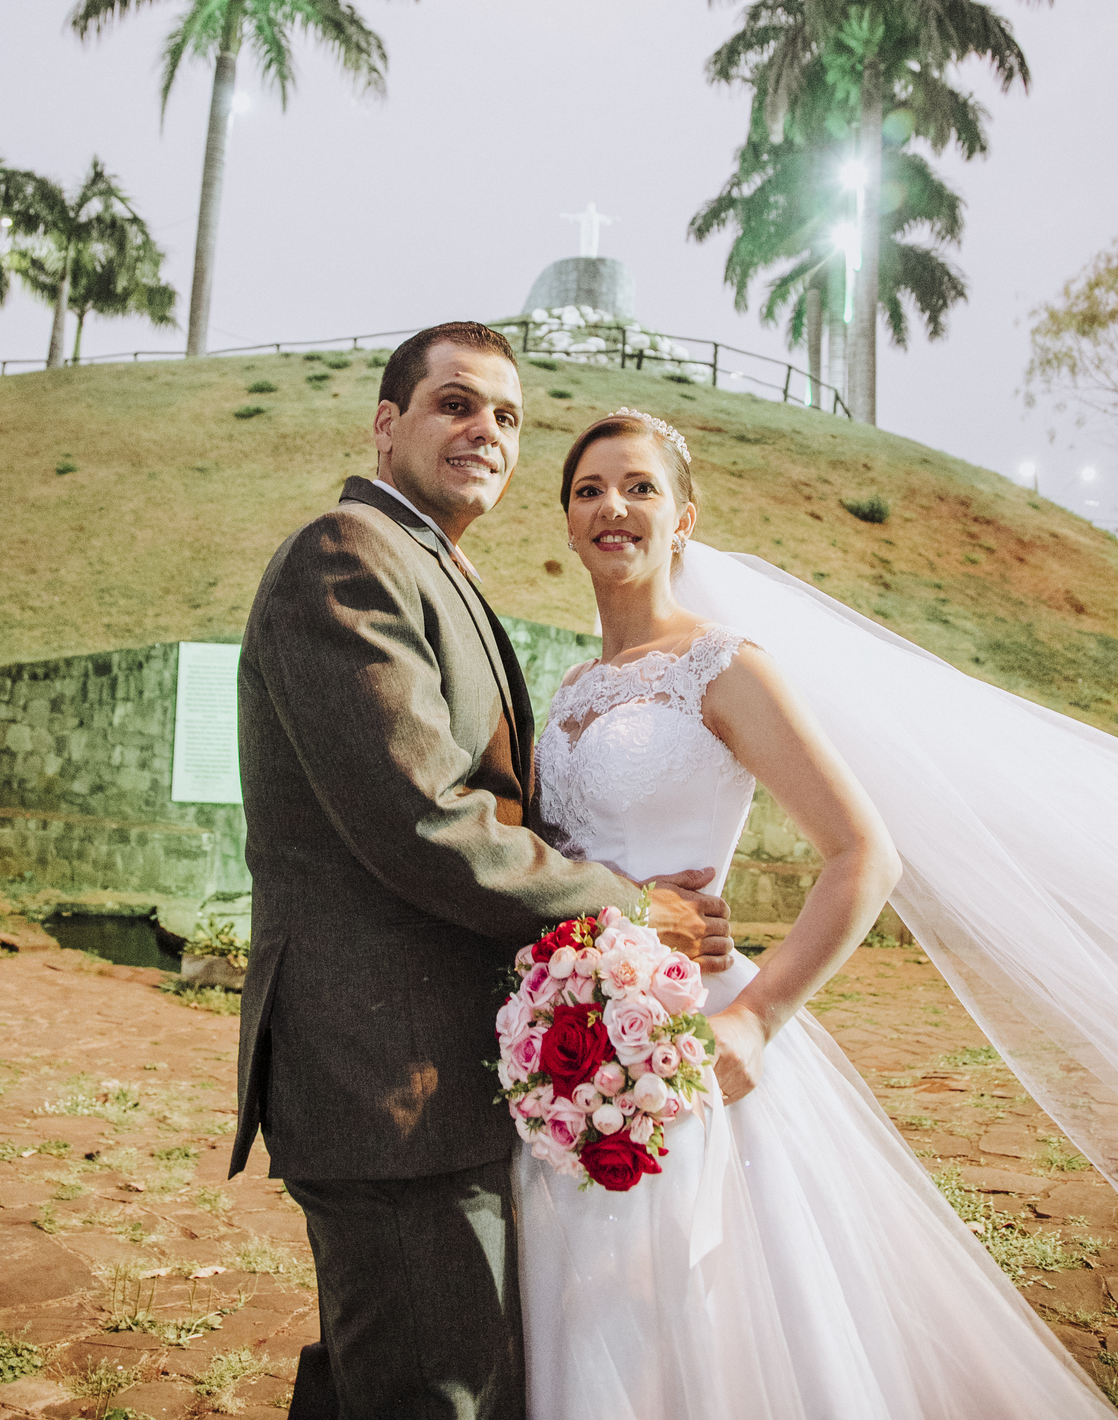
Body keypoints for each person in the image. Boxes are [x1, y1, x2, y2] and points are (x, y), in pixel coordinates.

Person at [516, 406, 1114, 1418]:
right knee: (587, 1319)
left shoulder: (724, 666)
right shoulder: (569, 690)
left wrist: (757, 1018)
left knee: (693, 1317)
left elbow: (865, 855)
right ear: (569, 523)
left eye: (639, 486)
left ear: (683, 518)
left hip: (692, 1041)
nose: (613, 505)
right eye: (589, 490)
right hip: (571, 1051)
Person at [230, 324, 732, 1420]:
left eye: (507, 416)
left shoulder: (430, 565)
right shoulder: (347, 555)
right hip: (386, 1074)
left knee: (392, 1378)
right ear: (387, 423)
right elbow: (424, 820)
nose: (487, 432)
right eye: (455, 404)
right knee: (437, 1390)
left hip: (441, 1074)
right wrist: (629, 908)